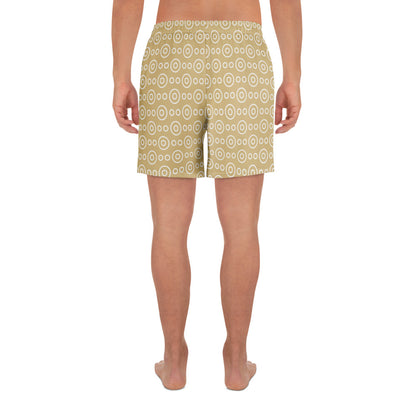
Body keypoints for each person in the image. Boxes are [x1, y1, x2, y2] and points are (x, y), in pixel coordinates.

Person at [111, 0, 302, 390]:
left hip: (172, 53)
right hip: (242, 54)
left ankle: (173, 361)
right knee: (242, 227)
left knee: (168, 227)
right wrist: (292, 76)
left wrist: (120, 76)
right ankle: (236, 361)